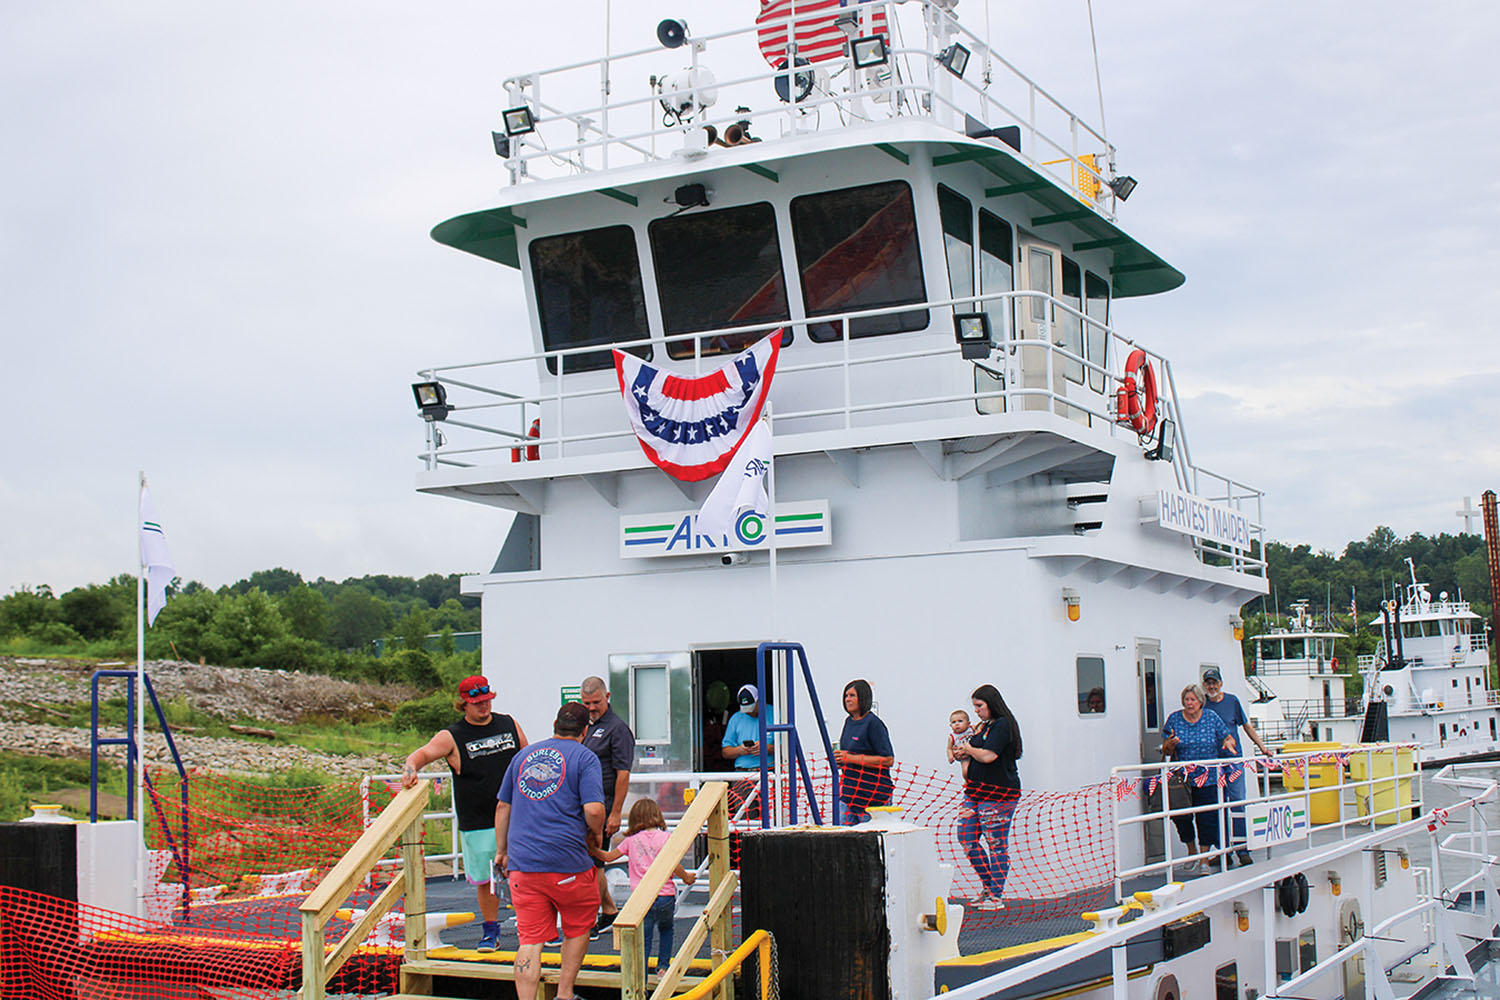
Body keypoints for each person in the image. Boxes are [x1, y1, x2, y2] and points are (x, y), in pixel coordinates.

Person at [401, 674, 527, 952]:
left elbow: (528, 758)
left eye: (487, 701)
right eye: (477, 703)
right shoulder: (452, 735)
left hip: (517, 815)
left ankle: (532, 927)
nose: (484, 707)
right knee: (486, 877)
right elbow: (420, 755)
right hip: (479, 820)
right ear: (464, 704)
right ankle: (491, 929)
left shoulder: (508, 723)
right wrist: (411, 767)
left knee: (525, 873)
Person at [496, 702, 604, 1000]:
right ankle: (565, 993)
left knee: (529, 940)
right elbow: (594, 809)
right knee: (578, 924)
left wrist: (502, 851)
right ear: (585, 730)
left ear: (555, 724)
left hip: (523, 864)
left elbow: (503, 806)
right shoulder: (585, 757)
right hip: (567, 862)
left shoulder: (522, 756)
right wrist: (596, 832)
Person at [592, 797, 697, 978]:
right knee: (666, 930)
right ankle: (663, 967)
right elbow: (674, 865)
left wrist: (590, 848)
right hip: (665, 895)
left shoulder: (631, 841)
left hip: (642, 899)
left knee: (644, 938)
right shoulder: (666, 838)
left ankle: (641, 974)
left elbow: (608, 857)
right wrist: (686, 877)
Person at [952, 684, 1022, 908]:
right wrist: (964, 750)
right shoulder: (983, 726)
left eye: (980, 706)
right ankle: (989, 885)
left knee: (996, 844)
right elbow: (976, 750)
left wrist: (968, 748)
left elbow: (989, 755)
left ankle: (996, 895)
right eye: (975, 706)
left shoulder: (1002, 726)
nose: (976, 711)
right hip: (974, 792)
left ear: (991, 704)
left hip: (999, 794)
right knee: (966, 836)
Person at [1161, 683, 1238, 873]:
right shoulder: (1175, 719)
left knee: (1207, 818)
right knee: (1182, 817)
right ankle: (1191, 851)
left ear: (1200, 701)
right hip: (1183, 779)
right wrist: (1170, 744)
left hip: (1208, 777)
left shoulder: (1211, 718)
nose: (1189, 703)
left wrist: (1229, 744)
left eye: (1193, 700)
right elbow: (1166, 749)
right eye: (1186, 700)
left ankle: (1204, 860)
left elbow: (1227, 737)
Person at [1201, 666, 1272, 868]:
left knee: (1237, 803)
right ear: (1204, 686)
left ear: (1221, 683)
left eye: (1215, 682)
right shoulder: (1202, 704)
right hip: (1213, 762)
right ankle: (1223, 850)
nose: (1212, 686)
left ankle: (1242, 849)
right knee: (1218, 806)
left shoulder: (1232, 701)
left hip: (1233, 760)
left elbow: (1246, 726)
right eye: (1208, 683)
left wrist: (1262, 747)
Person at [581, 675, 635, 933]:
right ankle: (609, 910)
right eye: (587, 703)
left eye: (596, 702)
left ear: (607, 697)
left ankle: (589, 918)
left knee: (592, 863)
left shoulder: (617, 728)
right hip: (583, 804)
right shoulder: (586, 726)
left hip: (603, 807)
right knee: (591, 862)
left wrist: (615, 814)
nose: (592, 707)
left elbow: (623, 773)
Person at [834, 679, 895, 825]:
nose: (848, 699)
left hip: (873, 797)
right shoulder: (848, 722)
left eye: (852, 695)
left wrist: (851, 758)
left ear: (863, 697)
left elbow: (888, 760)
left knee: (870, 843)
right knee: (845, 840)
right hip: (849, 796)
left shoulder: (874, 724)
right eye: (846, 696)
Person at [721, 684, 774, 820]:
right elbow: (725, 752)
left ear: (759, 701)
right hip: (742, 775)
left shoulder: (775, 713)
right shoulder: (736, 719)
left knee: (772, 817)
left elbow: (786, 747)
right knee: (744, 820)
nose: (749, 712)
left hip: (769, 773)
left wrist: (767, 748)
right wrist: (740, 750)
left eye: (752, 708)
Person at [945, 709, 975, 778]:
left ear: (968, 723)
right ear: (950, 725)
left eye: (960, 721)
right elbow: (949, 748)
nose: (957, 724)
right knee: (965, 771)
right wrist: (950, 756)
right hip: (964, 757)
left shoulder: (971, 729)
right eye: (954, 722)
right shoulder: (952, 736)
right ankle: (967, 781)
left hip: (974, 753)